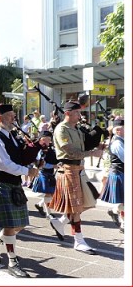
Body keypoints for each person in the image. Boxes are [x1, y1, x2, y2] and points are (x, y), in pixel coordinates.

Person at [0, 104, 38, 277]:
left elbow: (19, 157)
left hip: (14, 185)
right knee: (10, 226)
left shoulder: (12, 135)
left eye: (14, 115)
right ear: (0, 118)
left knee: (20, 224)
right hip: (1, 185)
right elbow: (2, 163)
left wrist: (34, 153)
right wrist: (26, 171)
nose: (14, 118)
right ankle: (13, 262)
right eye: (10, 116)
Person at [48, 101, 104, 253]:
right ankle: (78, 241)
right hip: (68, 169)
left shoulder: (77, 128)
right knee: (76, 207)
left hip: (79, 169)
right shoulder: (61, 129)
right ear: (67, 113)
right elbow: (71, 152)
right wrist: (92, 153)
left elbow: (84, 146)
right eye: (77, 113)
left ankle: (60, 222)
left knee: (89, 201)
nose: (80, 115)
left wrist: (97, 145)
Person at [101, 119, 124, 233]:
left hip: (122, 173)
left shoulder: (123, 141)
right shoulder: (117, 143)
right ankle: (123, 224)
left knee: (125, 201)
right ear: (118, 130)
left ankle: (115, 211)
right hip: (118, 173)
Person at [31, 131, 57, 218]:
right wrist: (53, 165)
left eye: (49, 139)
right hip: (43, 173)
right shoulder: (40, 150)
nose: (48, 141)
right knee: (48, 193)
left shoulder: (50, 148)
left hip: (50, 173)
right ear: (41, 139)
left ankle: (39, 204)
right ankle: (48, 213)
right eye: (46, 139)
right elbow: (41, 164)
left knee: (51, 193)